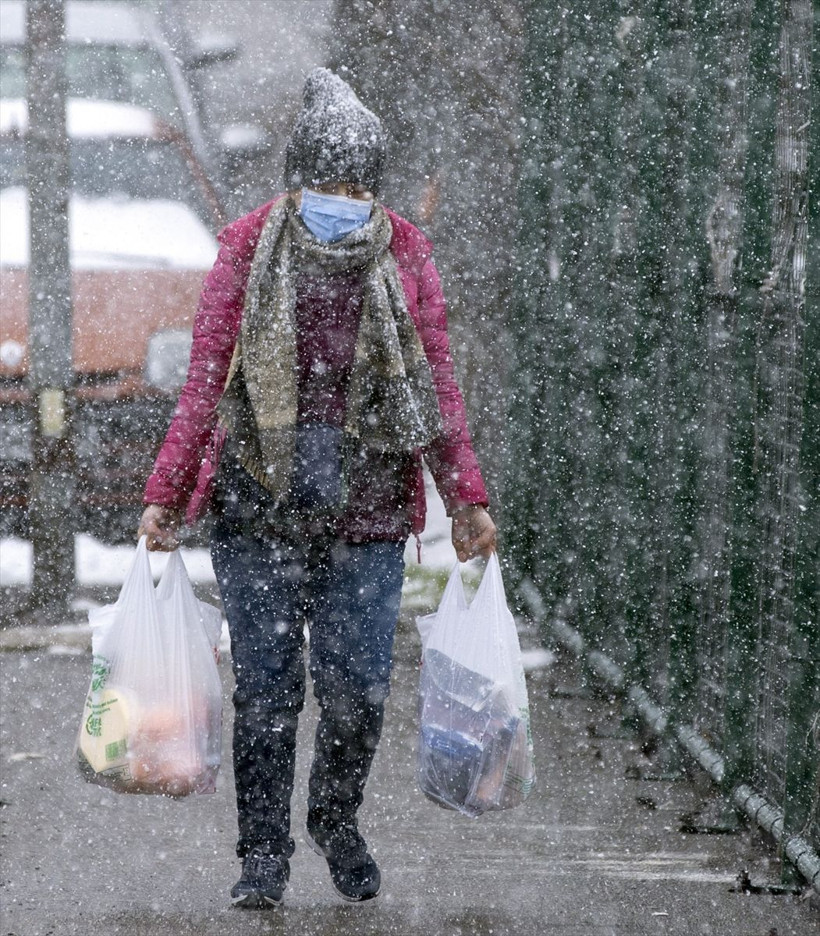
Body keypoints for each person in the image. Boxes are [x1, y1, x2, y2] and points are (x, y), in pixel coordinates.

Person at [138, 67, 496, 909]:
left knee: (359, 687)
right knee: (267, 689)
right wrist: (168, 490)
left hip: (368, 509)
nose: (344, 199)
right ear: (294, 182)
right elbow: (205, 379)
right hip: (256, 501)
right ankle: (262, 854)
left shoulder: (404, 255)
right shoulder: (246, 250)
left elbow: (436, 386)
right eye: (328, 183)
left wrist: (466, 498)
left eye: (359, 185)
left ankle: (335, 818)